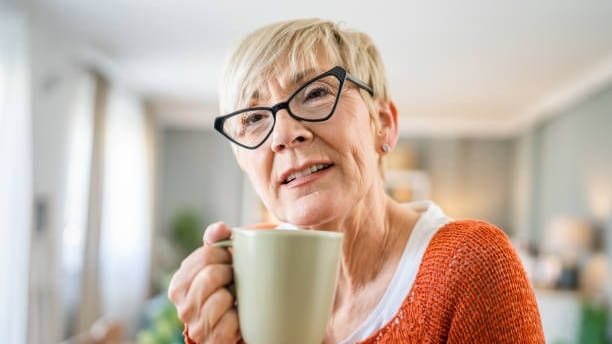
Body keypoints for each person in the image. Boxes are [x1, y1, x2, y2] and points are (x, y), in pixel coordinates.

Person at [168, 18, 545, 343]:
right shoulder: (242, 285)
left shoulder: (470, 263)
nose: (283, 134)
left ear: (384, 123)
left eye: (315, 93)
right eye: (252, 119)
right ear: (242, 159)